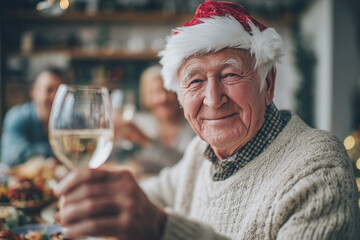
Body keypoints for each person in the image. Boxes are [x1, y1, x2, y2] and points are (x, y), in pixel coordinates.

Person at [55, 1, 359, 239]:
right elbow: (158, 191)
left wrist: (163, 231)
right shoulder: (201, 155)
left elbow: (157, 222)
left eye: (229, 75)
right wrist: (102, 199)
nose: (213, 99)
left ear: (268, 85)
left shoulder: (319, 168)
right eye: (195, 81)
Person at [113, 65, 195, 175]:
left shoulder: (192, 126)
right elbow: (116, 157)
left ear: (178, 92)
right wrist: (111, 137)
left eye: (167, 90)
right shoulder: (139, 122)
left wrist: (145, 141)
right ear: (146, 97)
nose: (162, 98)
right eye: (155, 92)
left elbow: (185, 166)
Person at [1, 67, 65, 167]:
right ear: (33, 92)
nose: (55, 97)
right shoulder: (17, 117)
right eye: (49, 90)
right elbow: (12, 157)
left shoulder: (73, 120)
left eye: (60, 92)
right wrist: (59, 151)